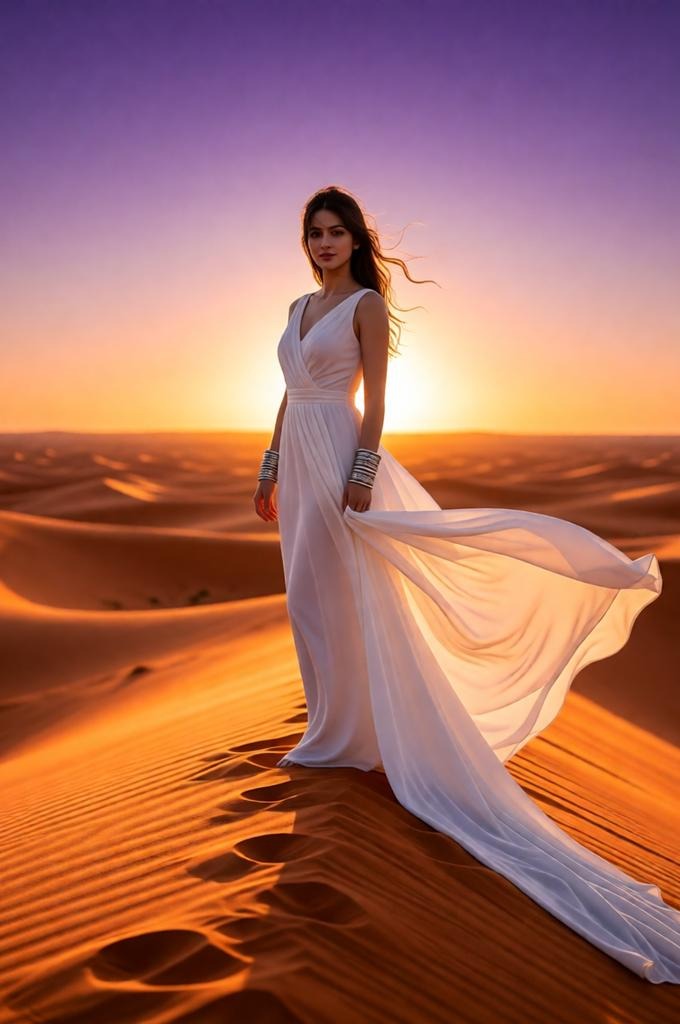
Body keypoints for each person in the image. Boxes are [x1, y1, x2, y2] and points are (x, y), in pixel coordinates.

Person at [252, 184, 680, 983]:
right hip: (298, 460)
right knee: (306, 598)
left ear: (356, 240)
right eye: (314, 233)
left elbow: (375, 399)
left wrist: (362, 470)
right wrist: (271, 464)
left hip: (341, 457)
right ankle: (335, 728)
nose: (324, 244)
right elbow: (286, 391)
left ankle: (348, 740)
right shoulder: (296, 306)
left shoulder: (366, 308)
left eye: (336, 233)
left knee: (344, 595)